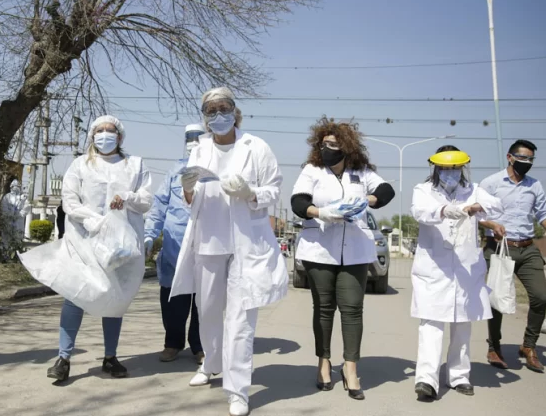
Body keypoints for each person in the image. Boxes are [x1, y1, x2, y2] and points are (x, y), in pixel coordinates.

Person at [169, 87, 287, 416]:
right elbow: (188, 197)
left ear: (235, 112)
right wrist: (188, 188)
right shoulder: (200, 149)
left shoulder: (257, 146)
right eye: (211, 111)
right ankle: (211, 363)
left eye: (224, 109)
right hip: (208, 239)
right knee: (207, 310)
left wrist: (251, 192)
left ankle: (238, 390)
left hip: (246, 243)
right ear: (204, 118)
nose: (218, 115)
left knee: (240, 318)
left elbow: (274, 189)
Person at [20, 115, 152, 382]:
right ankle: (64, 357)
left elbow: (146, 200)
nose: (105, 135)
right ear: (92, 136)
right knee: (75, 296)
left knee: (115, 298)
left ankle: (110, 357)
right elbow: (69, 200)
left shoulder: (134, 165)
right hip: (84, 241)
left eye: (110, 130)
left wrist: (127, 198)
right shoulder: (81, 165)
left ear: (120, 136)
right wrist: (92, 220)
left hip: (120, 244)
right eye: (99, 131)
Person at [290, 117, 395, 400]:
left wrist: (367, 201)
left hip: (356, 250)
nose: (328, 149)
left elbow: (386, 191)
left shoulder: (361, 172)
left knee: (352, 309)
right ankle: (323, 363)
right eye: (324, 144)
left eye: (334, 145)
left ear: (347, 147)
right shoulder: (312, 170)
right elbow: (298, 201)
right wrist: (320, 212)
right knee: (323, 308)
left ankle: (350, 368)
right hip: (319, 248)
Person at [411, 147, 503, 400]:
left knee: (462, 323)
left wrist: (476, 206)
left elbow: (496, 207)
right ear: (436, 168)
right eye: (445, 168)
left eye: (455, 168)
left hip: (466, 268)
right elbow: (420, 211)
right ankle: (426, 380)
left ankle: (459, 376)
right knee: (431, 324)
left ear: (462, 168)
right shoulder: (424, 190)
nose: (450, 173)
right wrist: (444, 210)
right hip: (434, 268)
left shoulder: (473, 190)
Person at [479, 139, 546, 373]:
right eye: (523, 158)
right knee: (496, 301)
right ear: (510, 157)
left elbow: (543, 212)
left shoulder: (534, 185)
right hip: (499, 248)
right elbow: (476, 213)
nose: (527, 163)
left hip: (527, 248)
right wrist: (491, 223)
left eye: (530, 159)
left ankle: (528, 346)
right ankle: (494, 347)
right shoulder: (491, 183)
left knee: (540, 298)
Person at [144, 124, 206, 364]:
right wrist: (150, 234)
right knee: (172, 300)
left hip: (204, 245)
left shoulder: (214, 171)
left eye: (198, 138)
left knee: (203, 301)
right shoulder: (174, 172)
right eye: (190, 138)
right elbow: (159, 206)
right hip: (174, 247)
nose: (194, 142)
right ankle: (172, 343)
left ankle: (199, 346)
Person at [0, 179, 31, 252]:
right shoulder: (7, 197)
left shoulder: (23, 198)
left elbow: (27, 207)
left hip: (18, 221)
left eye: (17, 186)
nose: (16, 188)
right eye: (14, 186)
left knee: (18, 237)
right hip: (8, 221)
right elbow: (3, 207)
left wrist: (18, 215)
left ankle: (16, 253)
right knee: (6, 237)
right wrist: (10, 215)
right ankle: (6, 252)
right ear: (11, 187)